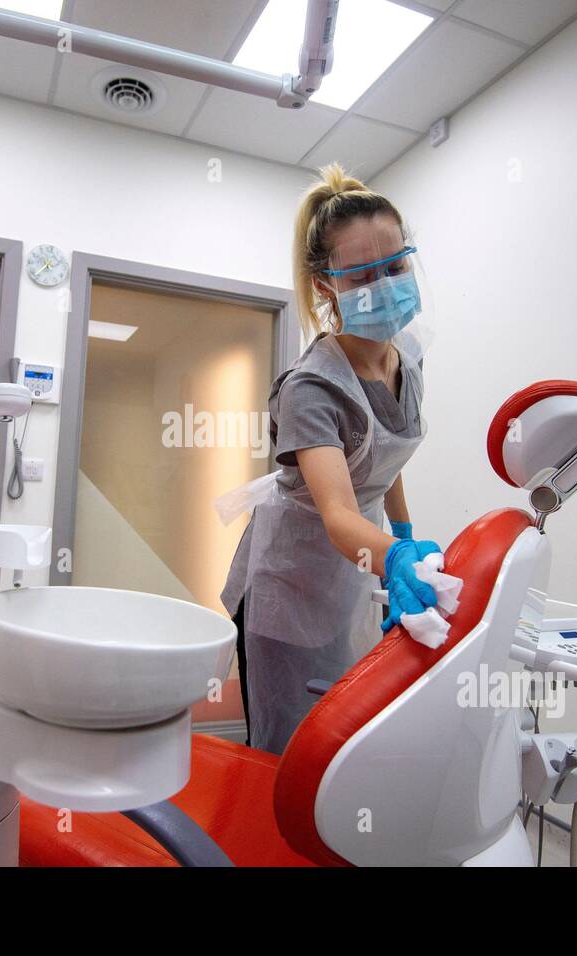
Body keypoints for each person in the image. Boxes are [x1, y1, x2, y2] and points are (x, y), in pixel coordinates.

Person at [219, 163, 441, 754]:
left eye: (396, 266)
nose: (388, 284)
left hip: (350, 568)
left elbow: (385, 459)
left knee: (347, 735)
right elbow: (340, 511)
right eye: (365, 275)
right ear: (326, 285)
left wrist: (406, 532)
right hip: (289, 583)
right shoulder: (312, 389)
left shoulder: (409, 357)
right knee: (290, 745)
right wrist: (394, 556)